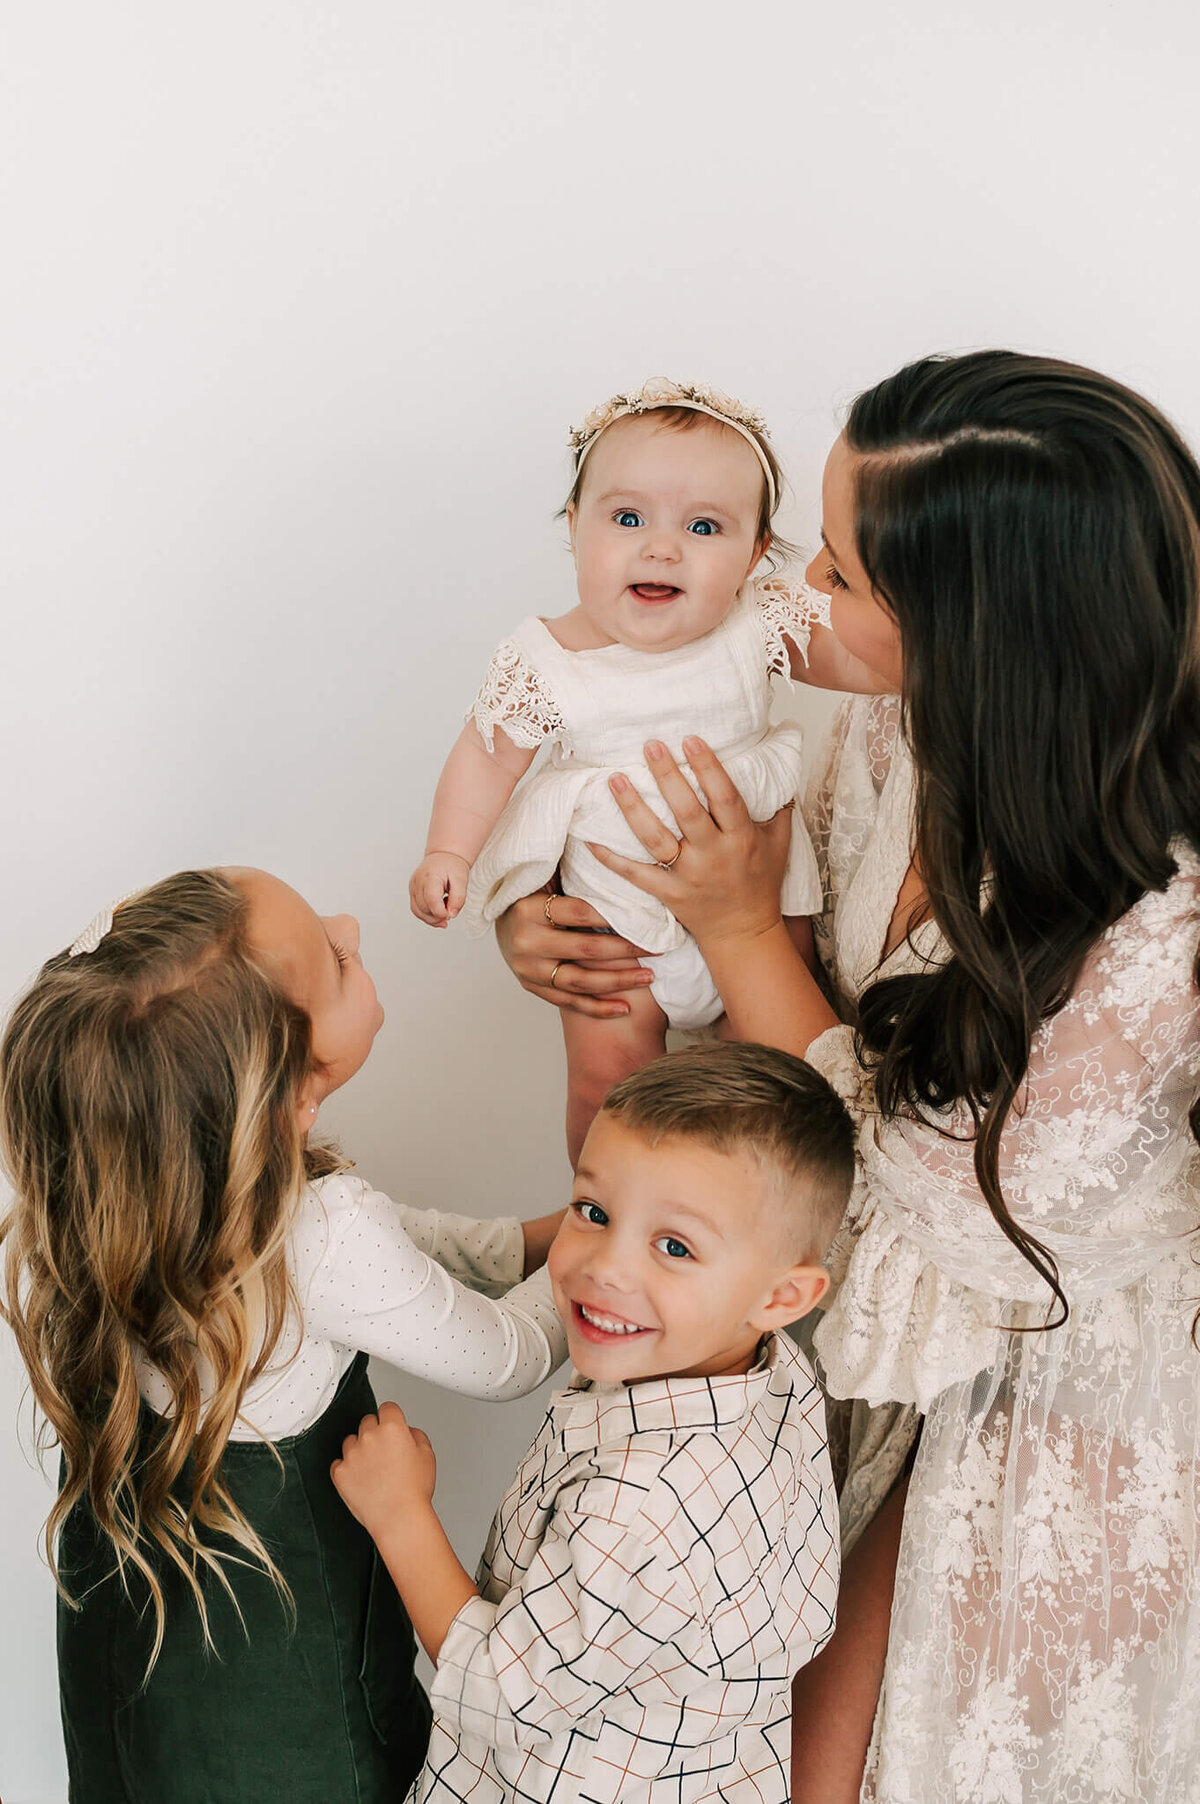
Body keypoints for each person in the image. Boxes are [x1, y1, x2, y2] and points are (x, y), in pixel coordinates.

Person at [494, 351, 1200, 1801]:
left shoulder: (1163, 911)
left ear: (984, 631)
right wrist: (575, 923)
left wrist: (738, 929)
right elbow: (778, 1036)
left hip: (1044, 1415)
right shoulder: (893, 730)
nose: (788, 588)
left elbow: (954, 1206)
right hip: (837, 1361)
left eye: (844, 572)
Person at [0, 867, 567, 1804]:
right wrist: (604, 1248)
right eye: (338, 959)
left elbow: (407, 1242)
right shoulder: (328, 1235)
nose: (353, 923)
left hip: (154, 1665)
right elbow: (509, 1358)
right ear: (296, 1092)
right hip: (282, 1695)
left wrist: (539, 1236)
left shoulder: (136, 1197)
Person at [330, 1042, 854, 1804]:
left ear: (782, 1297)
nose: (606, 1266)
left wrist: (401, 1515)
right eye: (594, 1211)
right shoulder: (775, 1376)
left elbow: (504, 1695)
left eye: (674, 1246)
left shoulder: (639, 1507)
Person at [409, 376, 832, 1163]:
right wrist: (449, 853)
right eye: (627, 517)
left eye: (705, 526)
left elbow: (877, 653)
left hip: (761, 899)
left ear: (756, 553)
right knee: (608, 1082)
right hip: (614, 918)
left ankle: (740, 1221)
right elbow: (486, 755)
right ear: (575, 528)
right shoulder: (545, 659)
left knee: (767, 1083)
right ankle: (601, 1206)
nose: (661, 547)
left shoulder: (757, 624)